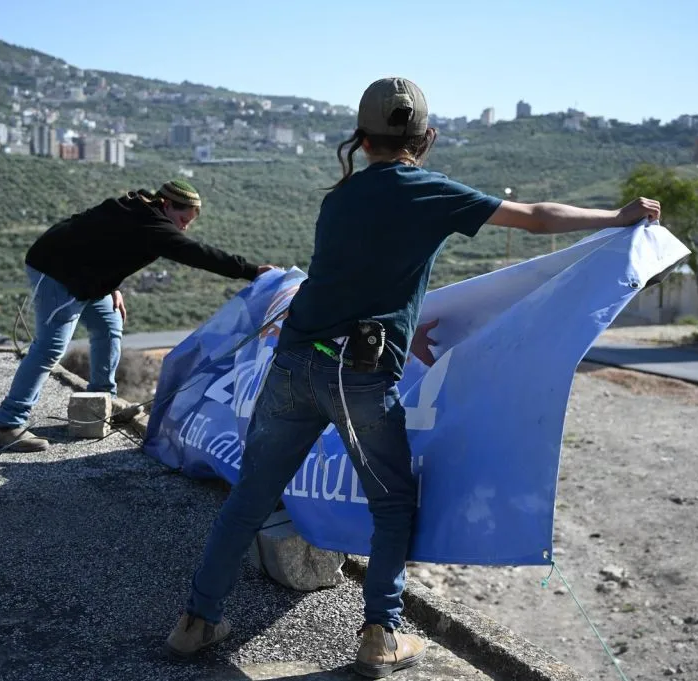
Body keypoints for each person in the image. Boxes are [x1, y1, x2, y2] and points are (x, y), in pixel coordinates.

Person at [165, 77, 661, 678]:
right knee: (393, 502)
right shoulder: (427, 191)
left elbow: (348, 279)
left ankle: (197, 621)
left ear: (361, 137)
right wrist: (618, 217)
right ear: (426, 138)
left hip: (296, 359)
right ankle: (381, 634)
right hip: (360, 375)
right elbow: (531, 218)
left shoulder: (340, 197)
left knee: (251, 495)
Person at [0, 179, 277, 452]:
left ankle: (102, 400)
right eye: (183, 221)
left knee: (109, 323)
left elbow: (103, 244)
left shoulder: (138, 210)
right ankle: (8, 423)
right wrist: (250, 270)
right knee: (50, 347)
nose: (183, 229)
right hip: (56, 272)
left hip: (85, 274)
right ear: (166, 205)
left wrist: (111, 285)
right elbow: (196, 253)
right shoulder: (153, 225)